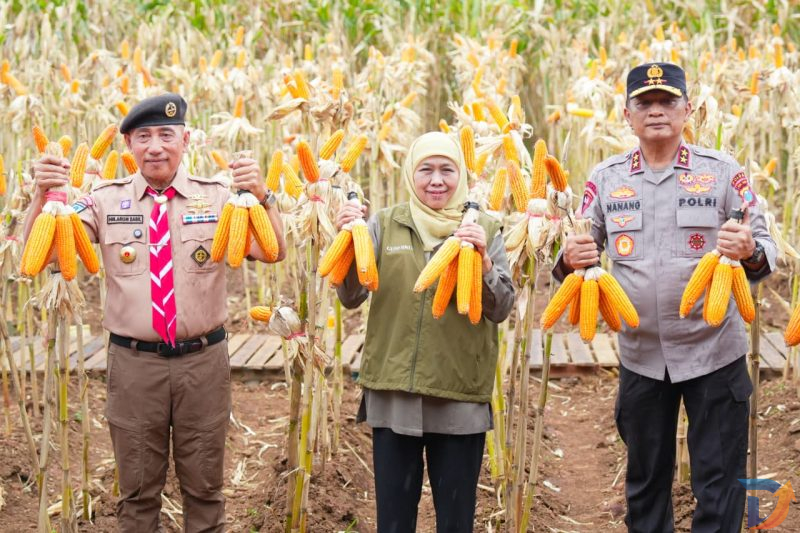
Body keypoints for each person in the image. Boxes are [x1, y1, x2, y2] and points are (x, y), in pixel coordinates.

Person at [24, 93, 286, 532]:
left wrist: (264, 195)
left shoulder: (220, 197)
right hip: (134, 367)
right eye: (144, 136)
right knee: (137, 493)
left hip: (202, 365)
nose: (156, 146)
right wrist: (41, 197)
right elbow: (43, 254)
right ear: (129, 145)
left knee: (204, 490)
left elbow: (271, 250)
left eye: (166, 134)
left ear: (185, 140)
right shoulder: (101, 202)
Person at [556, 63, 777, 532]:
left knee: (720, 485)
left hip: (714, 353)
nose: (656, 111)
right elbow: (576, 249)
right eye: (644, 103)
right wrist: (572, 256)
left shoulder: (722, 174)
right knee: (645, 482)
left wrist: (750, 250)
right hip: (641, 357)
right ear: (626, 115)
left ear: (687, 110)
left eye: (667, 101)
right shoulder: (606, 178)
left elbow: (764, 252)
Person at [336, 131, 514, 533]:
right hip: (394, 392)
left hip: (457, 397)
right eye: (426, 170)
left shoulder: (486, 227)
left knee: (455, 521)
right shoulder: (384, 223)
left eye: (447, 170)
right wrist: (349, 239)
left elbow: (501, 308)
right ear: (410, 175)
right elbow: (350, 296)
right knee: (394, 521)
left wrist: (484, 263)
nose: (436, 180)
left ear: (461, 176)